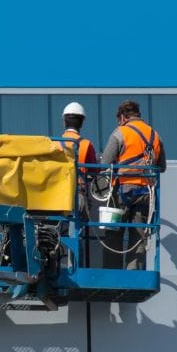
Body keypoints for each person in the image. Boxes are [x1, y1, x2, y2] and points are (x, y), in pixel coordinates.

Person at [101, 100, 166, 270]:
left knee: (113, 233)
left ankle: (111, 272)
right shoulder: (154, 135)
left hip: (122, 191)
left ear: (123, 117)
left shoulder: (120, 133)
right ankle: (134, 271)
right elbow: (162, 167)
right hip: (146, 193)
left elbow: (105, 163)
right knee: (138, 235)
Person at [56, 101, 98, 219]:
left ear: (64, 121)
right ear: (81, 123)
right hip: (78, 193)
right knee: (77, 225)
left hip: (57, 193)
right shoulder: (86, 144)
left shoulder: (54, 143)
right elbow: (94, 172)